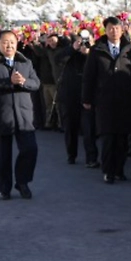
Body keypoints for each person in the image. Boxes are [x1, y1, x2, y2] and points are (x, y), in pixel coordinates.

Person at [82, 17, 131, 184]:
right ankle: (108, 170)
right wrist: (86, 98)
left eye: (117, 28)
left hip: (125, 99)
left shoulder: (130, 50)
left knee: (122, 138)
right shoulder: (97, 51)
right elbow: (89, 76)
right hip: (105, 100)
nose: (114, 31)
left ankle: (119, 170)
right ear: (105, 30)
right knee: (108, 137)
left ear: (122, 30)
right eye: (110, 28)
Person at [0, 30, 40, 200]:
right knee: (3, 155)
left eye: (12, 42)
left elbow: (36, 83)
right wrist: (9, 82)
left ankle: (22, 182)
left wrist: (24, 82)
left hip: (23, 114)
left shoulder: (25, 62)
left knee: (30, 149)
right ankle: (4, 188)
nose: (9, 46)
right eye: (5, 42)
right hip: (2, 114)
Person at [56, 35, 98, 167]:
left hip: (88, 96)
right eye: (81, 41)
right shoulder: (68, 51)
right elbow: (58, 59)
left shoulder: (94, 53)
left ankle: (91, 158)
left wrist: (89, 52)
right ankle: (71, 154)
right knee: (70, 127)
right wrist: (73, 49)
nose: (83, 44)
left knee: (89, 128)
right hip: (69, 95)